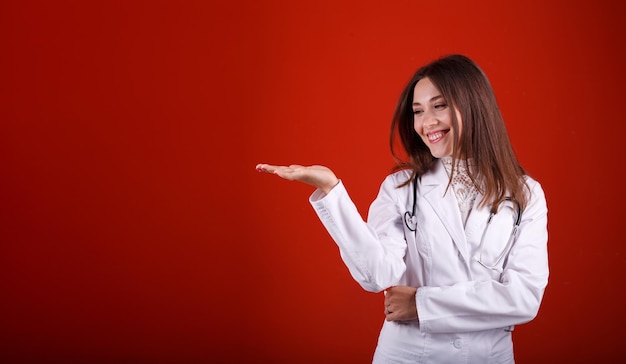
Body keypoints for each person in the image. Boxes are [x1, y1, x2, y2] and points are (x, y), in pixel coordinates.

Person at [256, 54, 548, 364]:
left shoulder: (525, 193)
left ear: (474, 105)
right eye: (417, 111)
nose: (426, 123)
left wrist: (421, 304)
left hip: (488, 357)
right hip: (409, 356)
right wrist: (332, 192)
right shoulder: (401, 188)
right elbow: (378, 275)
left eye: (439, 106)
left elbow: (524, 299)